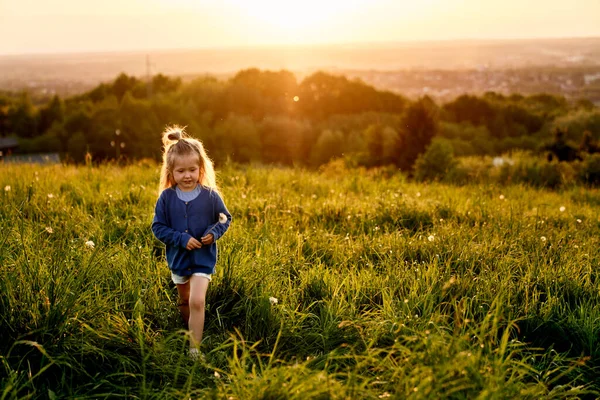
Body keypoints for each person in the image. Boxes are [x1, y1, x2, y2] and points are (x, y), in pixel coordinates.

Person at [151, 125, 231, 360]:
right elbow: (158, 227)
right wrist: (181, 239)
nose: (187, 175)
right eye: (181, 171)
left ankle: (194, 349)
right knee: (185, 301)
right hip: (179, 260)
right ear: (171, 173)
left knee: (197, 300)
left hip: (202, 260)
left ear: (201, 169)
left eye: (192, 170)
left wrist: (214, 233)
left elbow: (225, 218)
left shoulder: (210, 196)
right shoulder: (166, 198)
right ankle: (189, 330)